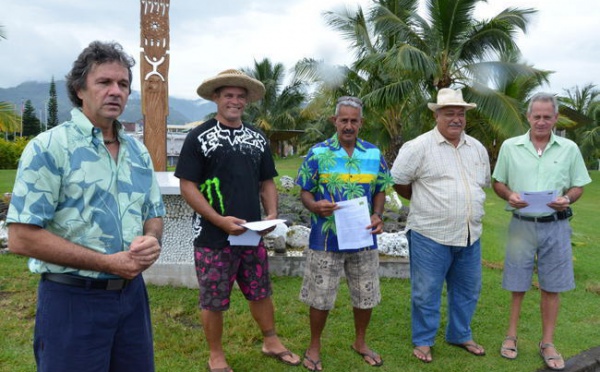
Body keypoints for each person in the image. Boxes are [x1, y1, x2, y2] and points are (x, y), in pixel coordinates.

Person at [6, 41, 165, 372]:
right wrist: (108, 263)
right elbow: (22, 237)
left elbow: (153, 214)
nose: (115, 91)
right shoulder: (49, 148)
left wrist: (151, 239)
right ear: (80, 89)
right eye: (104, 82)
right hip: (73, 301)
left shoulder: (138, 153)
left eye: (123, 84)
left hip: (132, 299)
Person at [174, 69, 301, 372]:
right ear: (216, 98)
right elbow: (187, 186)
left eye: (240, 96)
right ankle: (216, 355)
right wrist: (218, 220)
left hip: (250, 235)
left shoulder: (257, 138)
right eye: (228, 95)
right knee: (213, 299)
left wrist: (270, 215)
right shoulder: (199, 137)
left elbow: (267, 181)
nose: (235, 101)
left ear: (247, 101)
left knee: (260, 290)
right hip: (212, 236)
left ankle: (271, 340)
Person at [492, 92, 592, 370]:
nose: (541, 121)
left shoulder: (569, 149)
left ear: (555, 118)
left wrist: (567, 199)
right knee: (516, 283)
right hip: (521, 224)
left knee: (552, 286)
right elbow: (498, 183)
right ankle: (510, 336)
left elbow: (578, 185)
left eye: (547, 116)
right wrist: (509, 195)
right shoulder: (511, 147)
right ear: (528, 117)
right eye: (536, 116)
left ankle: (547, 342)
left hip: (556, 226)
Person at [391, 88, 490, 363]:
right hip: (429, 234)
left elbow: (480, 184)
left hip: (470, 234)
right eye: (449, 113)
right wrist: (424, 200)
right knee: (426, 291)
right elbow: (398, 181)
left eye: (460, 113)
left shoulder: (477, 148)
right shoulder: (418, 147)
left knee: (468, 289)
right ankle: (423, 341)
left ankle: (460, 334)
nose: (456, 119)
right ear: (437, 115)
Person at [296, 96, 392, 371]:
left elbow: (381, 188)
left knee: (365, 293)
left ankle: (360, 342)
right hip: (326, 238)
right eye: (343, 120)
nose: (348, 125)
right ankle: (314, 345)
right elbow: (305, 189)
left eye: (354, 120)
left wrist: (378, 215)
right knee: (320, 295)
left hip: (363, 237)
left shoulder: (373, 154)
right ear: (334, 121)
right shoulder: (318, 153)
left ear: (361, 123)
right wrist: (314, 205)